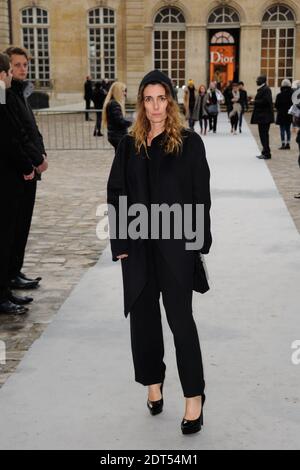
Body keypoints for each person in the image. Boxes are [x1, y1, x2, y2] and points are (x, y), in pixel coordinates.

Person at [107, 69, 212, 435]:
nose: (155, 106)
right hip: (137, 247)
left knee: (181, 321)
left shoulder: (188, 142)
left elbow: (201, 195)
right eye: (148, 99)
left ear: (170, 101)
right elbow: (117, 193)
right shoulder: (128, 144)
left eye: (161, 98)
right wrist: (119, 244)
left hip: (176, 246)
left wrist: (197, 243)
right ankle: (153, 382)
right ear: (141, 103)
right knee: (144, 320)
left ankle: (194, 398)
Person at [0, 53, 44, 314]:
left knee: (17, 230)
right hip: (12, 173)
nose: (21, 70)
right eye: (15, 66)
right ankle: (4, 288)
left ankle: (8, 283)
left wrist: (39, 155)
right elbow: (11, 135)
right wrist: (30, 162)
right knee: (6, 234)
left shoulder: (16, 94)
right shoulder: (4, 96)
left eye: (25, 65)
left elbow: (29, 129)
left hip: (23, 168)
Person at [102, 81, 131, 152]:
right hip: (117, 136)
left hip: (116, 136)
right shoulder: (114, 104)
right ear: (118, 91)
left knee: (119, 158)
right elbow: (120, 121)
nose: (125, 93)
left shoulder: (112, 103)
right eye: (123, 91)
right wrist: (132, 120)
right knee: (121, 159)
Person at [250, 75, 274, 159]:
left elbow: (266, 101)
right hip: (263, 117)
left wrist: (254, 101)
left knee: (264, 135)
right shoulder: (264, 89)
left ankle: (267, 153)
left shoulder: (266, 89)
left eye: (257, 80)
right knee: (262, 135)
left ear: (262, 81)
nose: (256, 81)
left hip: (264, 117)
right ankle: (265, 151)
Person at [275, 79, 293, 150]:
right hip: (289, 114)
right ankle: (288, 144)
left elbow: (276, 105)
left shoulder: (279, 95)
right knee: (288, 129)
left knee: (282, 129)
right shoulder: (291, 95)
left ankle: (283, 144)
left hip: (281, 114)